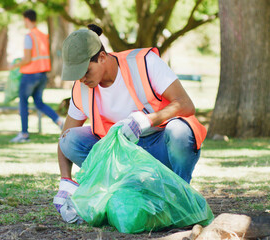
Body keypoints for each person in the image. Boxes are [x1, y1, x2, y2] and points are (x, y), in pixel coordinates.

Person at [53, 24, 207, 213]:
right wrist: (65, 180)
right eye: (77, 74)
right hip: (124, 157)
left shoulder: (144, 63)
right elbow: (64, 139)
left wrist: (148, 120)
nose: (82, 79)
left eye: (85, 71)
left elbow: (185, 104)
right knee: (71, 140)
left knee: (179, 131)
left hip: (160, 147)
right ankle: (126, 192)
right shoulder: (82, 88)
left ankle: (180, 197)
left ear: (102, 57)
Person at [9, 9, 64, 143]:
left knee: (23, 103)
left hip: (30, 75)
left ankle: (24, 134)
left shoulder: (29, 36)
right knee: (39, 102)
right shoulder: (42, 36)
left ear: (27, 19)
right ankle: (60, 121)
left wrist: (15, 65)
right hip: (42, 74)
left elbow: (28, 59)